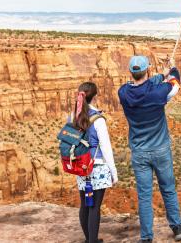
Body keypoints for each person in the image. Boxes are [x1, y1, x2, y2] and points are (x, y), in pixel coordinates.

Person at [118, 56, 181, 242]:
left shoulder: (123, 93)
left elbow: (141, 85)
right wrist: (172, 69)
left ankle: (146, 237)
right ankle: (177, 228)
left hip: (139, 152)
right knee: (168, 189)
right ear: (147, 71)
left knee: (144, 196)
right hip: (161, 150)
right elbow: (175, 85)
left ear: (131, 73)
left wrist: (159, 75)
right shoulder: (158, 93)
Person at [73, 82, 118, 243]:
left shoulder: (74, 116)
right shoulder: (98, 119)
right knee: (94, 207)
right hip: (97, 167)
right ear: (94, 97)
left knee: (85, 204)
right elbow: (106, 148)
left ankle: (88, 239)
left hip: (81, 167)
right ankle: (92, 241)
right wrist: (113, 172)